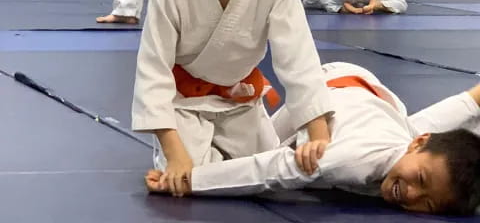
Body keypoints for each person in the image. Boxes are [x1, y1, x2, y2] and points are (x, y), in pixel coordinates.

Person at [132, 0, 334, 198]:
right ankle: (190, 157)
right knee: (190, 177)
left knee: (280, 169)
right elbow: (153, 73)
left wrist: (319, 137)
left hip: (241, 104)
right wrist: (174, 152)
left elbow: (299, 63)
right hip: (184, 105)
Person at [145, 62, 480, 216]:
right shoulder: (352, 161)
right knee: (257, 155)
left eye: (428, 204)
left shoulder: (414, 141)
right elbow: (273, 170)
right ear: (419, 144)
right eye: (420, 180)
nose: (411, 194)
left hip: (379, 104)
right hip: (323, 90)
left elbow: (464, 106)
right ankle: (230, 100)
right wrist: (189, 180)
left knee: (450, 126)